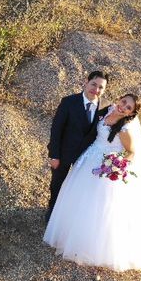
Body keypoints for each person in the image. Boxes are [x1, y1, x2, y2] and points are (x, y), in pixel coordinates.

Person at [43, 94, 141, 271]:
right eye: (123, 102)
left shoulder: (125, 129)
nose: (123, 107)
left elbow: (131, 151)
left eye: (128, 107)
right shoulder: (107, 111)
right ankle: (73, 232)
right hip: (89, 158)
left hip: (107, 165)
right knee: (80, 196)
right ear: (119, 100)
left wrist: (117, 165)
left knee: (102, 204)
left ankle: (97, 245)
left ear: (131, 113)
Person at [46, 71, 109, 223]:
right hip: (64, 153)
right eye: (94, 84)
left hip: (87, 156)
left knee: (79, 188)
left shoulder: (105, 108)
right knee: (57, 184)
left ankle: (71, 216)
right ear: (86, 82)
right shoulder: (68, 102)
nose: (96, 89)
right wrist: (54, 155)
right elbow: (56, 129)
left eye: (101, 87)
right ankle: (52, 213)